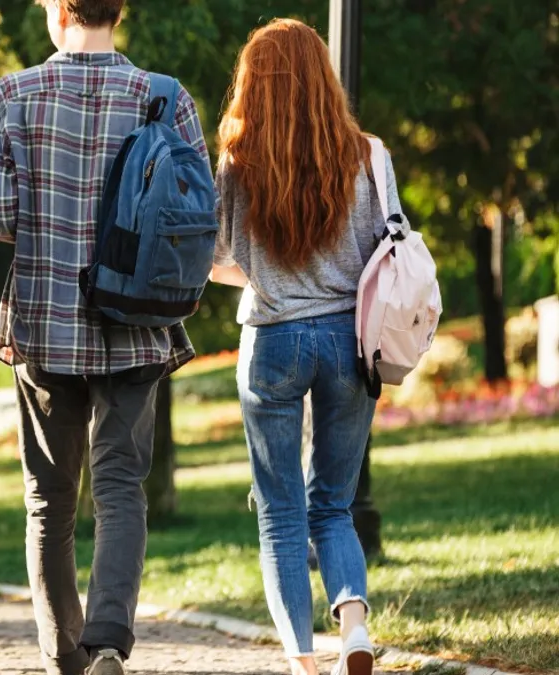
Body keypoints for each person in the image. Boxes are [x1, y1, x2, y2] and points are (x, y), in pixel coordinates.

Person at [0, 1, 209, 673]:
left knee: (50, 499)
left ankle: (65, 655)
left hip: (46, 322)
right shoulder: (165, 97)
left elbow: (0, 218)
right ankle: (109, 637)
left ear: (57, 11)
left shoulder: (12, 95)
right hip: (138, 320)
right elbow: (198, 220)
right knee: (120, 487)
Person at [210, 18, 401, 675]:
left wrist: (269, 272)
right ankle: (352, 627)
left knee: (281, 512)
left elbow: (218, 257)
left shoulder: (237, 157)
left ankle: (302, 660)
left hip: (271, 339)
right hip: (350, 342)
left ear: (253, 83)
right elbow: (387, 253)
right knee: (334, 503)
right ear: (325, 77)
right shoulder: (370, 155)